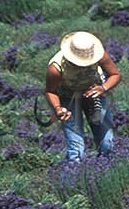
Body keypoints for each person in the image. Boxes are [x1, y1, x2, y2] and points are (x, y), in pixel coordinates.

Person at [45, 31, 122, 163]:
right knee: (76, 151)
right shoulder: (56, 68)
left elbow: (115, 74)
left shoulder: (99, 55)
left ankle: (103, 173)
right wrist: (58, 108)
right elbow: (50, 91)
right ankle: (73, 180)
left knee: (107, 144)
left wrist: (103, 88)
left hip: (94, 95)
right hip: (67, 100)